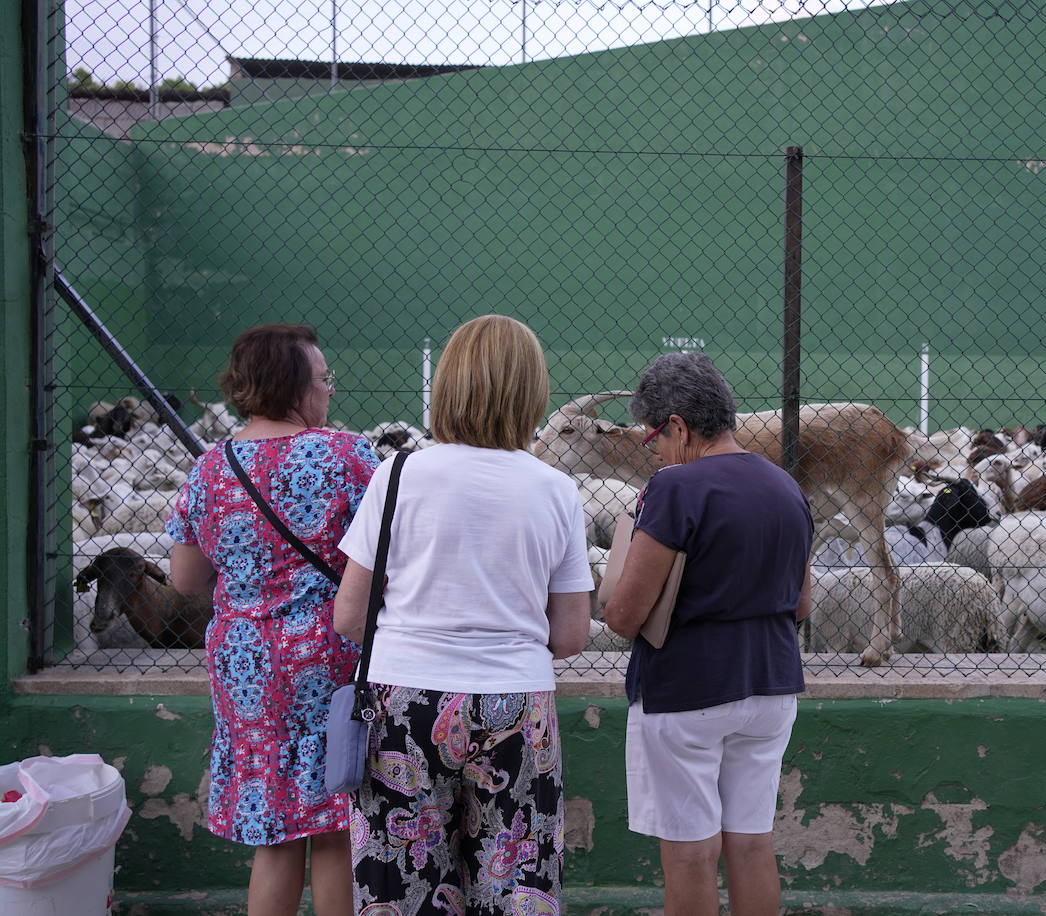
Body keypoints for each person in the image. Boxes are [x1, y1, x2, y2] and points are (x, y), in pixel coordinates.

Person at [334, 314, 593, 915]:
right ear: (532, 391)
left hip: (403, 705)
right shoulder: (556, 491)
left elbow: (350, 616)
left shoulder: (396, 475)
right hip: (517, 707)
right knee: (516, 884)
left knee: (401, 887)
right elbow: (573, 633)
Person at [168, 324, 379, 916]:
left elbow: (185, 580)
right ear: (293, 386)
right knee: (335, 825)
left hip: (245, 663)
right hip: (330, 652)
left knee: (275, 831)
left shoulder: (210, 468)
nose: (329, 391)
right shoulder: (348, 455)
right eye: (323, 379)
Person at [604, 352, 813, 916]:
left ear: (677, 425)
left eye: (655, 438)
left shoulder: (676, 488)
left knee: (692, 853)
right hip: (770, 684)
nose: (659, 451)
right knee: (750, 843)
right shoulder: (786, 486)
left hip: (686, 691)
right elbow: (801, 603)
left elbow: (625, 617)